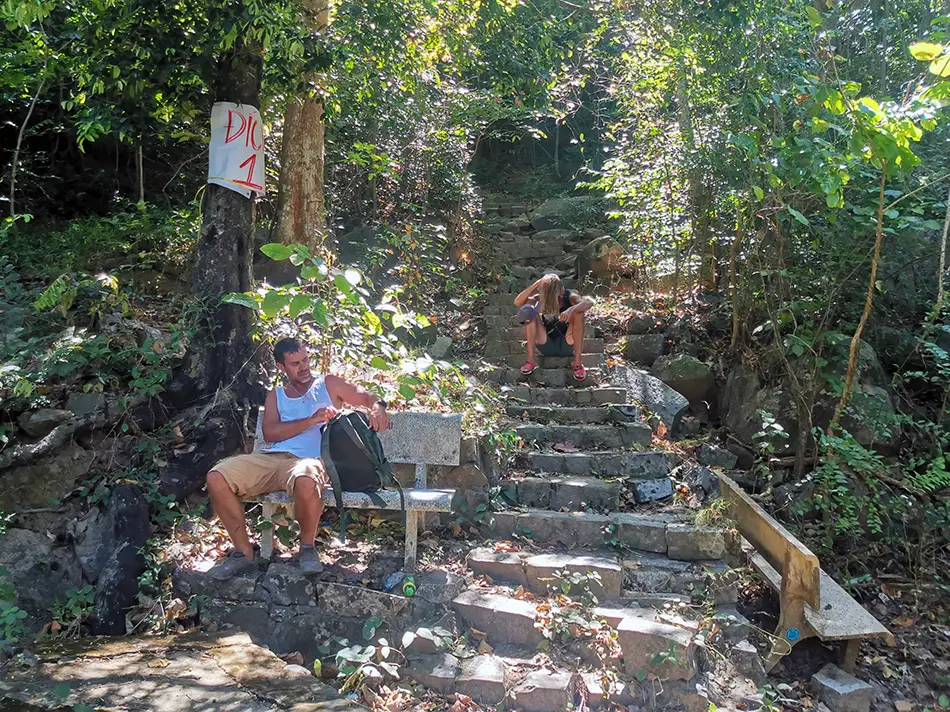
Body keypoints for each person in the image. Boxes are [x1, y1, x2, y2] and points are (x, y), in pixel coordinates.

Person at [204, 337, 390, 579]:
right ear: (281, 367)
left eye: (305, 360)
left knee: (305, 478)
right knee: (217, 477)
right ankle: (244, 553)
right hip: (272, 458)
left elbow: (366, 396)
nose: (303, 367)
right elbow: (270, 434)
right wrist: (311, 420)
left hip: (311, 460)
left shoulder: (328, 384)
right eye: (294, 364)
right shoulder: (276, 396)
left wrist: (378, 406)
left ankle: (307, 549)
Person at [514, 273, 594, 381]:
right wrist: (537, 283)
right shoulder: (539, 300)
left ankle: (577, 363)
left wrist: (571, 309)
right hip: (546, 344)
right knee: (529, 311)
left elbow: (588, 303)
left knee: (578, 313)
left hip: (567, 343)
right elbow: (517, 302)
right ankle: (531, 360)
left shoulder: (568, 296)